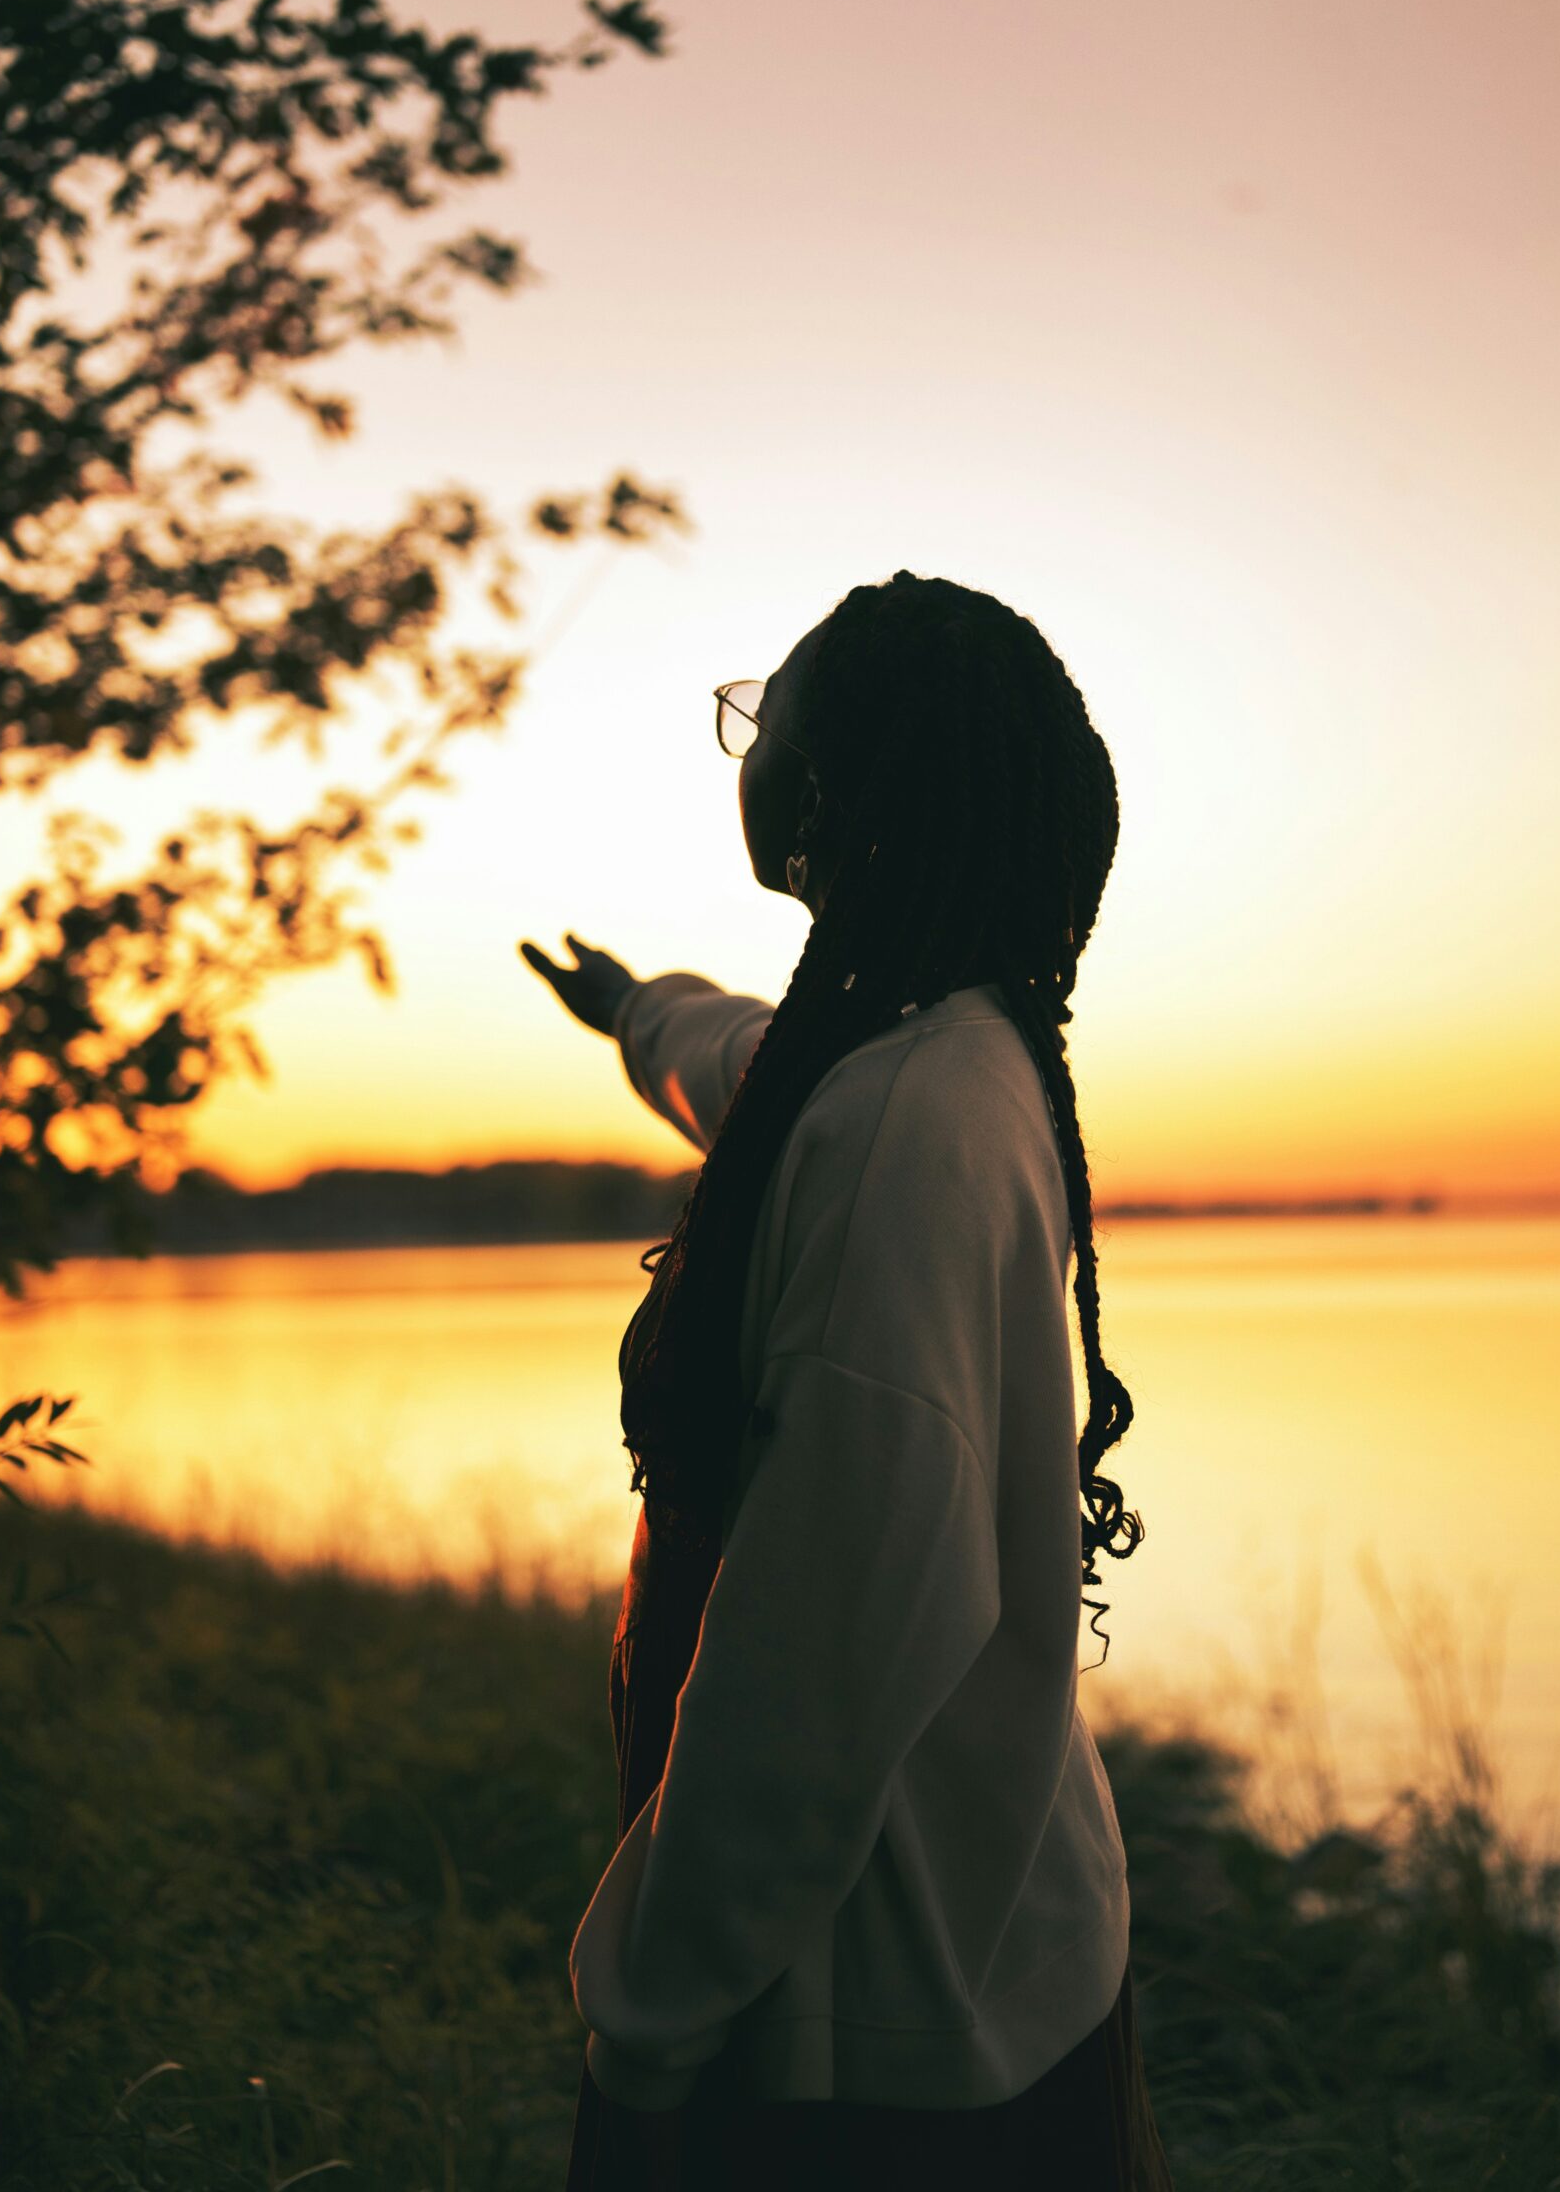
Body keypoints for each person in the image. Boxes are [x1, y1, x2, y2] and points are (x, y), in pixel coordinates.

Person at [521, 569, 1175, 2191]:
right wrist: (630, 1008)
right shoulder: (901, 1051)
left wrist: (649, 2007)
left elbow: (819, 1656)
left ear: (833, 782)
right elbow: (732, 1059)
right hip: (929, 1950)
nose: (743, 751)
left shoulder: (901, 1124)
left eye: (765, 717)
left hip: (881, 2026)